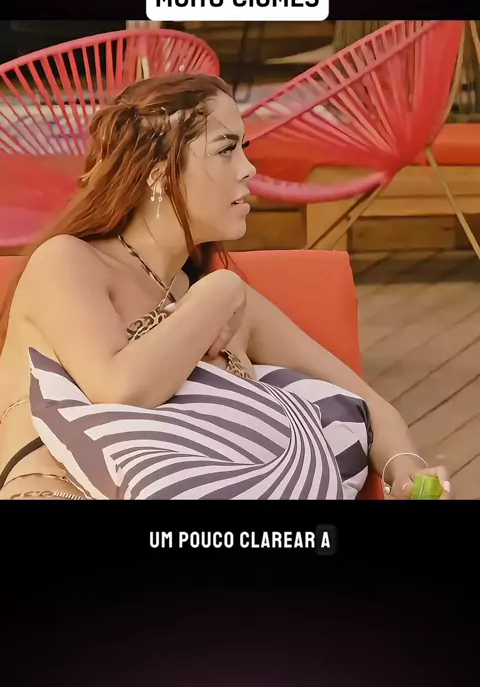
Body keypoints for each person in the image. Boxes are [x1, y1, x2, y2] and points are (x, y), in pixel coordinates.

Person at [0, 73, 450, 500]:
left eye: (244, 149)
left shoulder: (220, 297)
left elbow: (368, 403)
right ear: (158, 170)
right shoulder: (70, 263)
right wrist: (220, 292)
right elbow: (122, 389)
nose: (249, 169)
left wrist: (405, 469)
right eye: (226, 149)